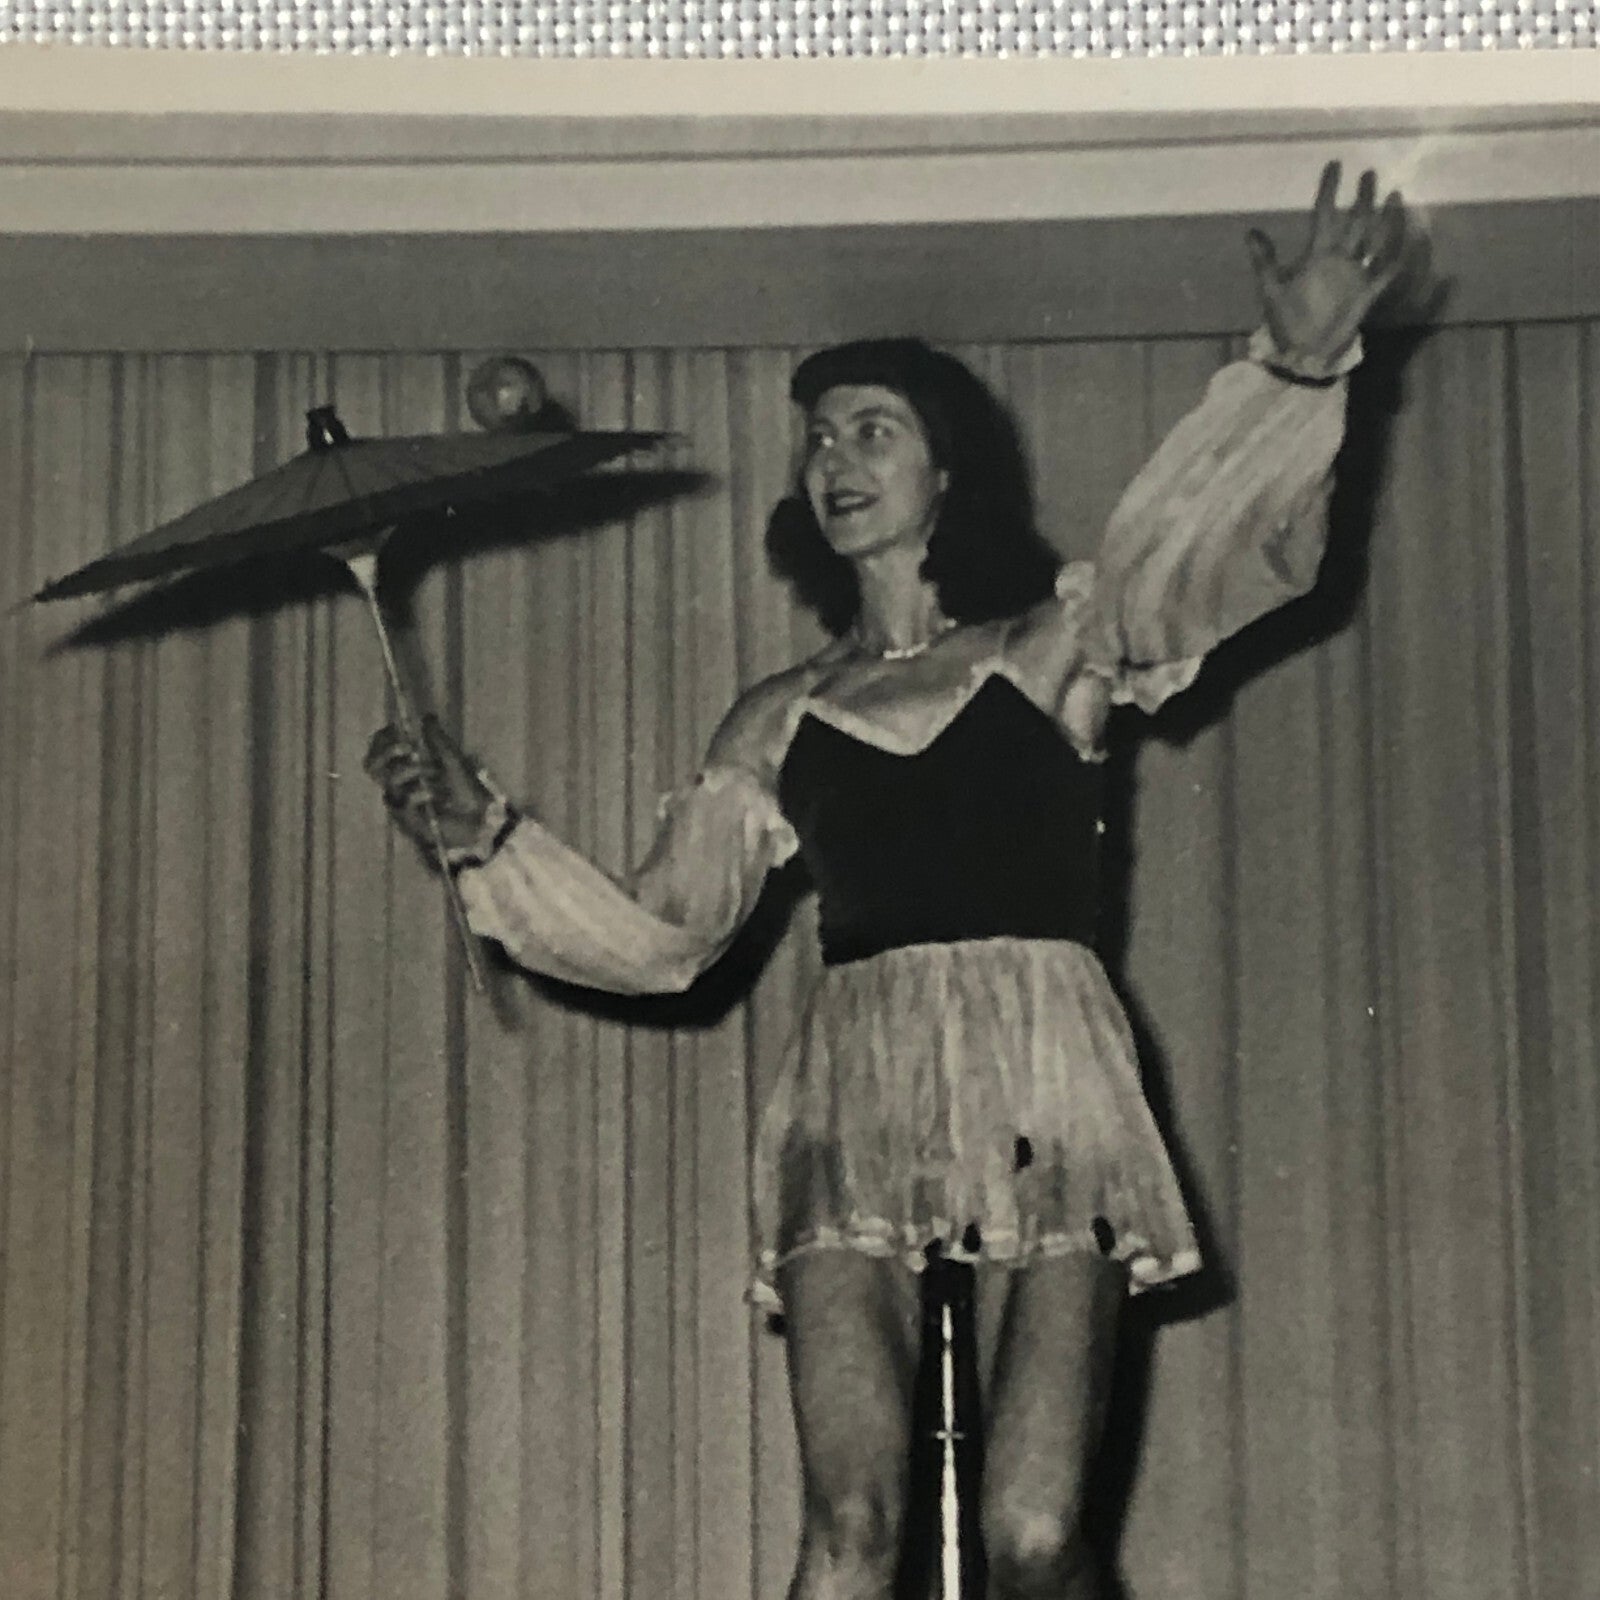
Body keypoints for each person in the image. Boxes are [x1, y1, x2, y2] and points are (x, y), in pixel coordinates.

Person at [366, 162, 1407, 1600]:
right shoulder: (776, 713)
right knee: (848, 1534)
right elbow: (665, 936)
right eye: (816, 438)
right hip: (854, 1090)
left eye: (872, 430)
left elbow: (1197, 552)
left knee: (1032, 1537)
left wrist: (1296, 371)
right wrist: (487, 836)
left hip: (1049, 1076)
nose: (833, 459)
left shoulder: (1050, 647)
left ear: (946, 473)